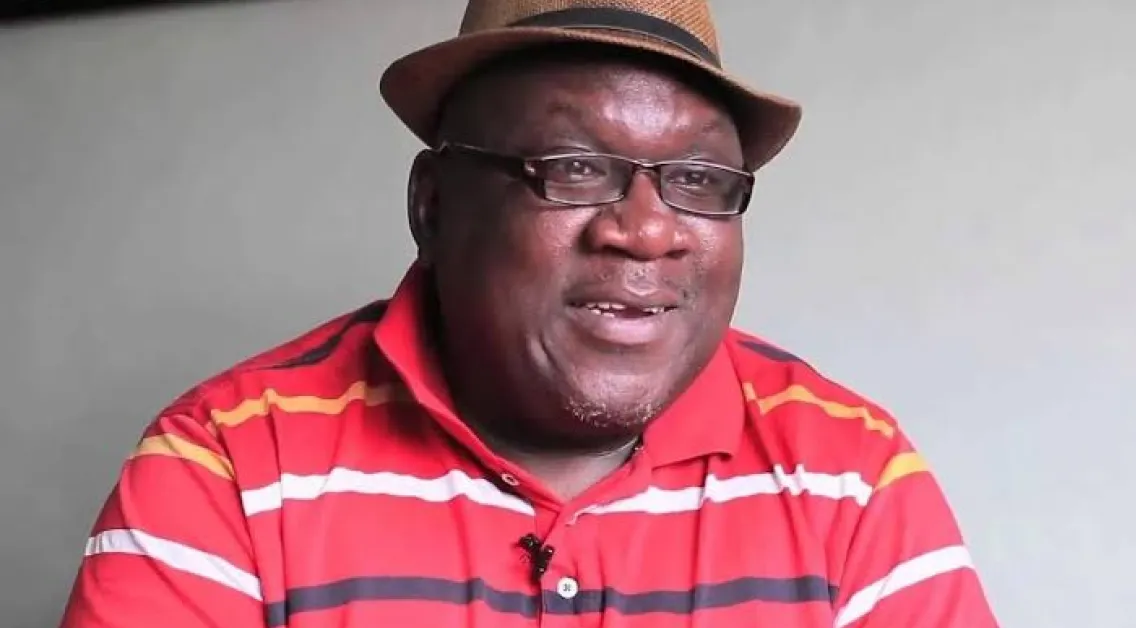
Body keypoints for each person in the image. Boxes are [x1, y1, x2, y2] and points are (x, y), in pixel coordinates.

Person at [59, 1, 999, 626]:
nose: (647, 231)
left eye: (699, 179)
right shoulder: (228, 462)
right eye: (574, 167)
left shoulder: (849, 475)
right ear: (433, 205)